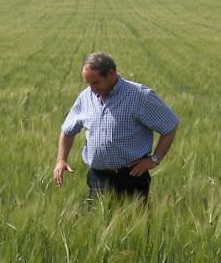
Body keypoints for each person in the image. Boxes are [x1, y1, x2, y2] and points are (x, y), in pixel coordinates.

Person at [53, 52, 179, 202]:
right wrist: (61, 160)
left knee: (134, 223)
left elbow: (170, 124)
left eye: (95, 83)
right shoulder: (85, 97)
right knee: (97, 223)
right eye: (88, 83)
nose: (91, 89)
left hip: (131, 178)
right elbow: (67, 130)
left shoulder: (139, 95)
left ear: (111, 74)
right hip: (97, 178)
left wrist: (155, 159)